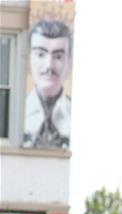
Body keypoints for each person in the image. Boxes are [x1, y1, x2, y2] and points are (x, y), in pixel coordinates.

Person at [23, 20, 72, 149]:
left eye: (58, 57)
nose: (49, 65)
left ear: (69, 63)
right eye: (40, 54)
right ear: (29, 60)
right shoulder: (14, 112)